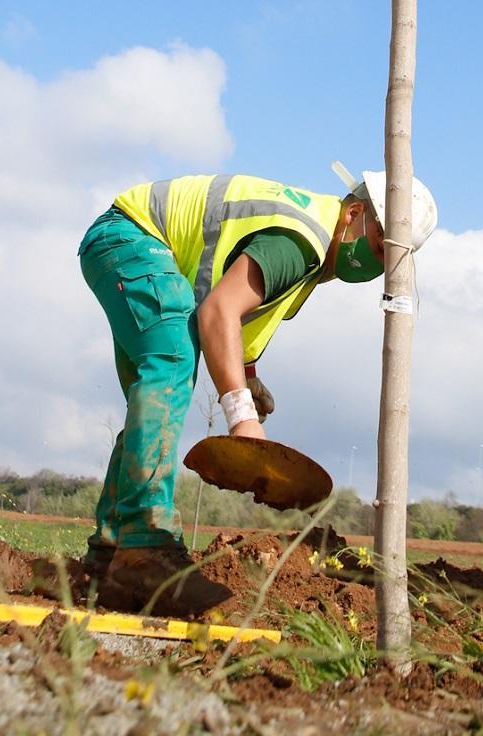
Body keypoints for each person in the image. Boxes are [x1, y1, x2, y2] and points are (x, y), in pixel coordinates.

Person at [79, 165, 438, 610]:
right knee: (172, 364)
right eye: (379, 247)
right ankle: (144, 546)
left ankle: (108, 557)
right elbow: (217, 313)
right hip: (132, 237)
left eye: (390, 259)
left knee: (155, 398)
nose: (378, 265)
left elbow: (229, 319)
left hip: (129, 242)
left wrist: (247, 379)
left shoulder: (312, 242)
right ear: (356, 214)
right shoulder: (302, 241)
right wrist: (242, 418)